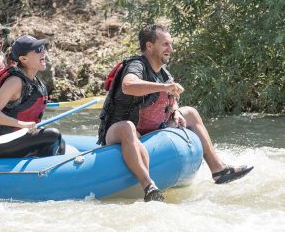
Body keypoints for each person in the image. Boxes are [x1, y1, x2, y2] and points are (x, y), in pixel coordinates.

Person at [98, 24, 254, 202]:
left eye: (170, 44)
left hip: (150, 128)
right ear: (150, 46)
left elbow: (170, 99)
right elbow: (128, 86)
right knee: (128, 127)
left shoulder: (163, 73)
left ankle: (219, 170)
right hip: (118, 130)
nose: (170, 49)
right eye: (165, 44)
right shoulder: (136, 65)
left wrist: (176, 111)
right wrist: (165, 86)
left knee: (190, 113)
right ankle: (149, 187)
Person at [0, 35, 65, 158]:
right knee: (53, 135)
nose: (43, 52)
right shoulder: (15, 81)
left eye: (42, 47)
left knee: (60, 141)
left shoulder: (35, 81)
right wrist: (21, 124)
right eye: (38, 50)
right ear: (24, 59)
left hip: (18, 138)